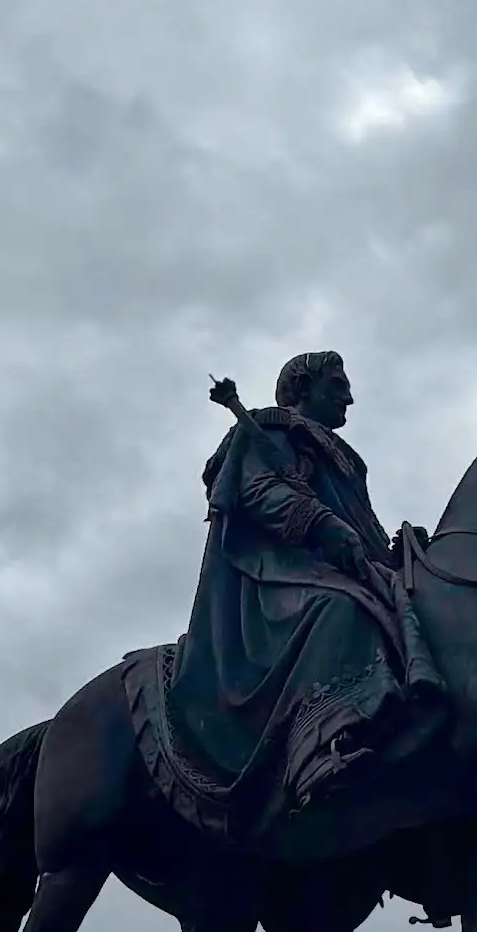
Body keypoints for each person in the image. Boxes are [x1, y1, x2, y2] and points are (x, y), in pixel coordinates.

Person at [159, 353, 435, 844]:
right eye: (337, 386)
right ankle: (315, 750)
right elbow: (257, 490)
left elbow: (361, 527)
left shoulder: (347, 457)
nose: (349, 397)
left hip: (343, 566)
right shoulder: (269, 430)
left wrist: (394, 555)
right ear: (299, 391)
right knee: (340, 610)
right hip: (278, 572)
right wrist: (319, 523)